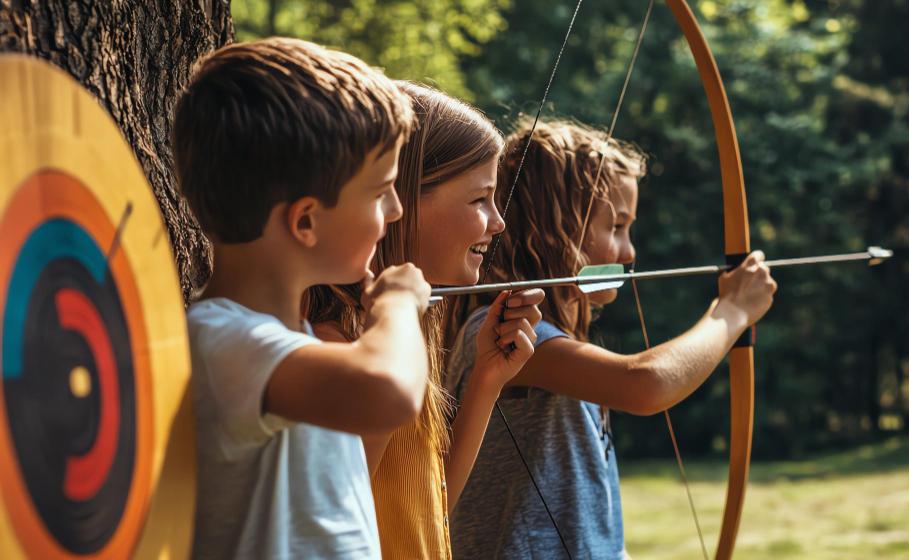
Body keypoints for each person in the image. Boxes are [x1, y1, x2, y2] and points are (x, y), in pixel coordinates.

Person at [445, 120, 778, 559]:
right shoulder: (502, 330)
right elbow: (646, 384)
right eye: (616, 226)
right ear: (555, 229)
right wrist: (732, 313)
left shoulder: (547, 338)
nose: (630, 251)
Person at [173, 38, 430, 559]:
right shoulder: (224, 341)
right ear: (306, 221)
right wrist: (398, 305)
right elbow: (390, 394)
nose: (398, 210)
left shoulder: (289, 342)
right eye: (381, 191)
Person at [305, 82, 544, 559]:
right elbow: (335, 518)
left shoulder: (401, 334)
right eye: (480, 200)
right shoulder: (336, 346)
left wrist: (486, 380)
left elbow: (429, 512)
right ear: (400, 203)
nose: (498, 222)